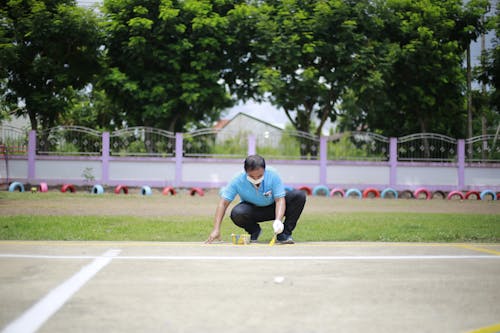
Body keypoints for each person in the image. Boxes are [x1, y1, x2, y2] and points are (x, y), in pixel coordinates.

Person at [206, 154, 306, 244]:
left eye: (259, 176)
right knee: (237, 213)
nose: (256, 179)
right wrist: (216, 229)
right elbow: (223, 203)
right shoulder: (237, 179)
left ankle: (284, 234)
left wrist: (278, 221)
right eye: (251, 176)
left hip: (273, 207)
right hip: (253, 210)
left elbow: (280, 200)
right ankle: (254, 230)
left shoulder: (273, 174)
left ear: (265, 170)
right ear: (245, 172)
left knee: (299, 196)